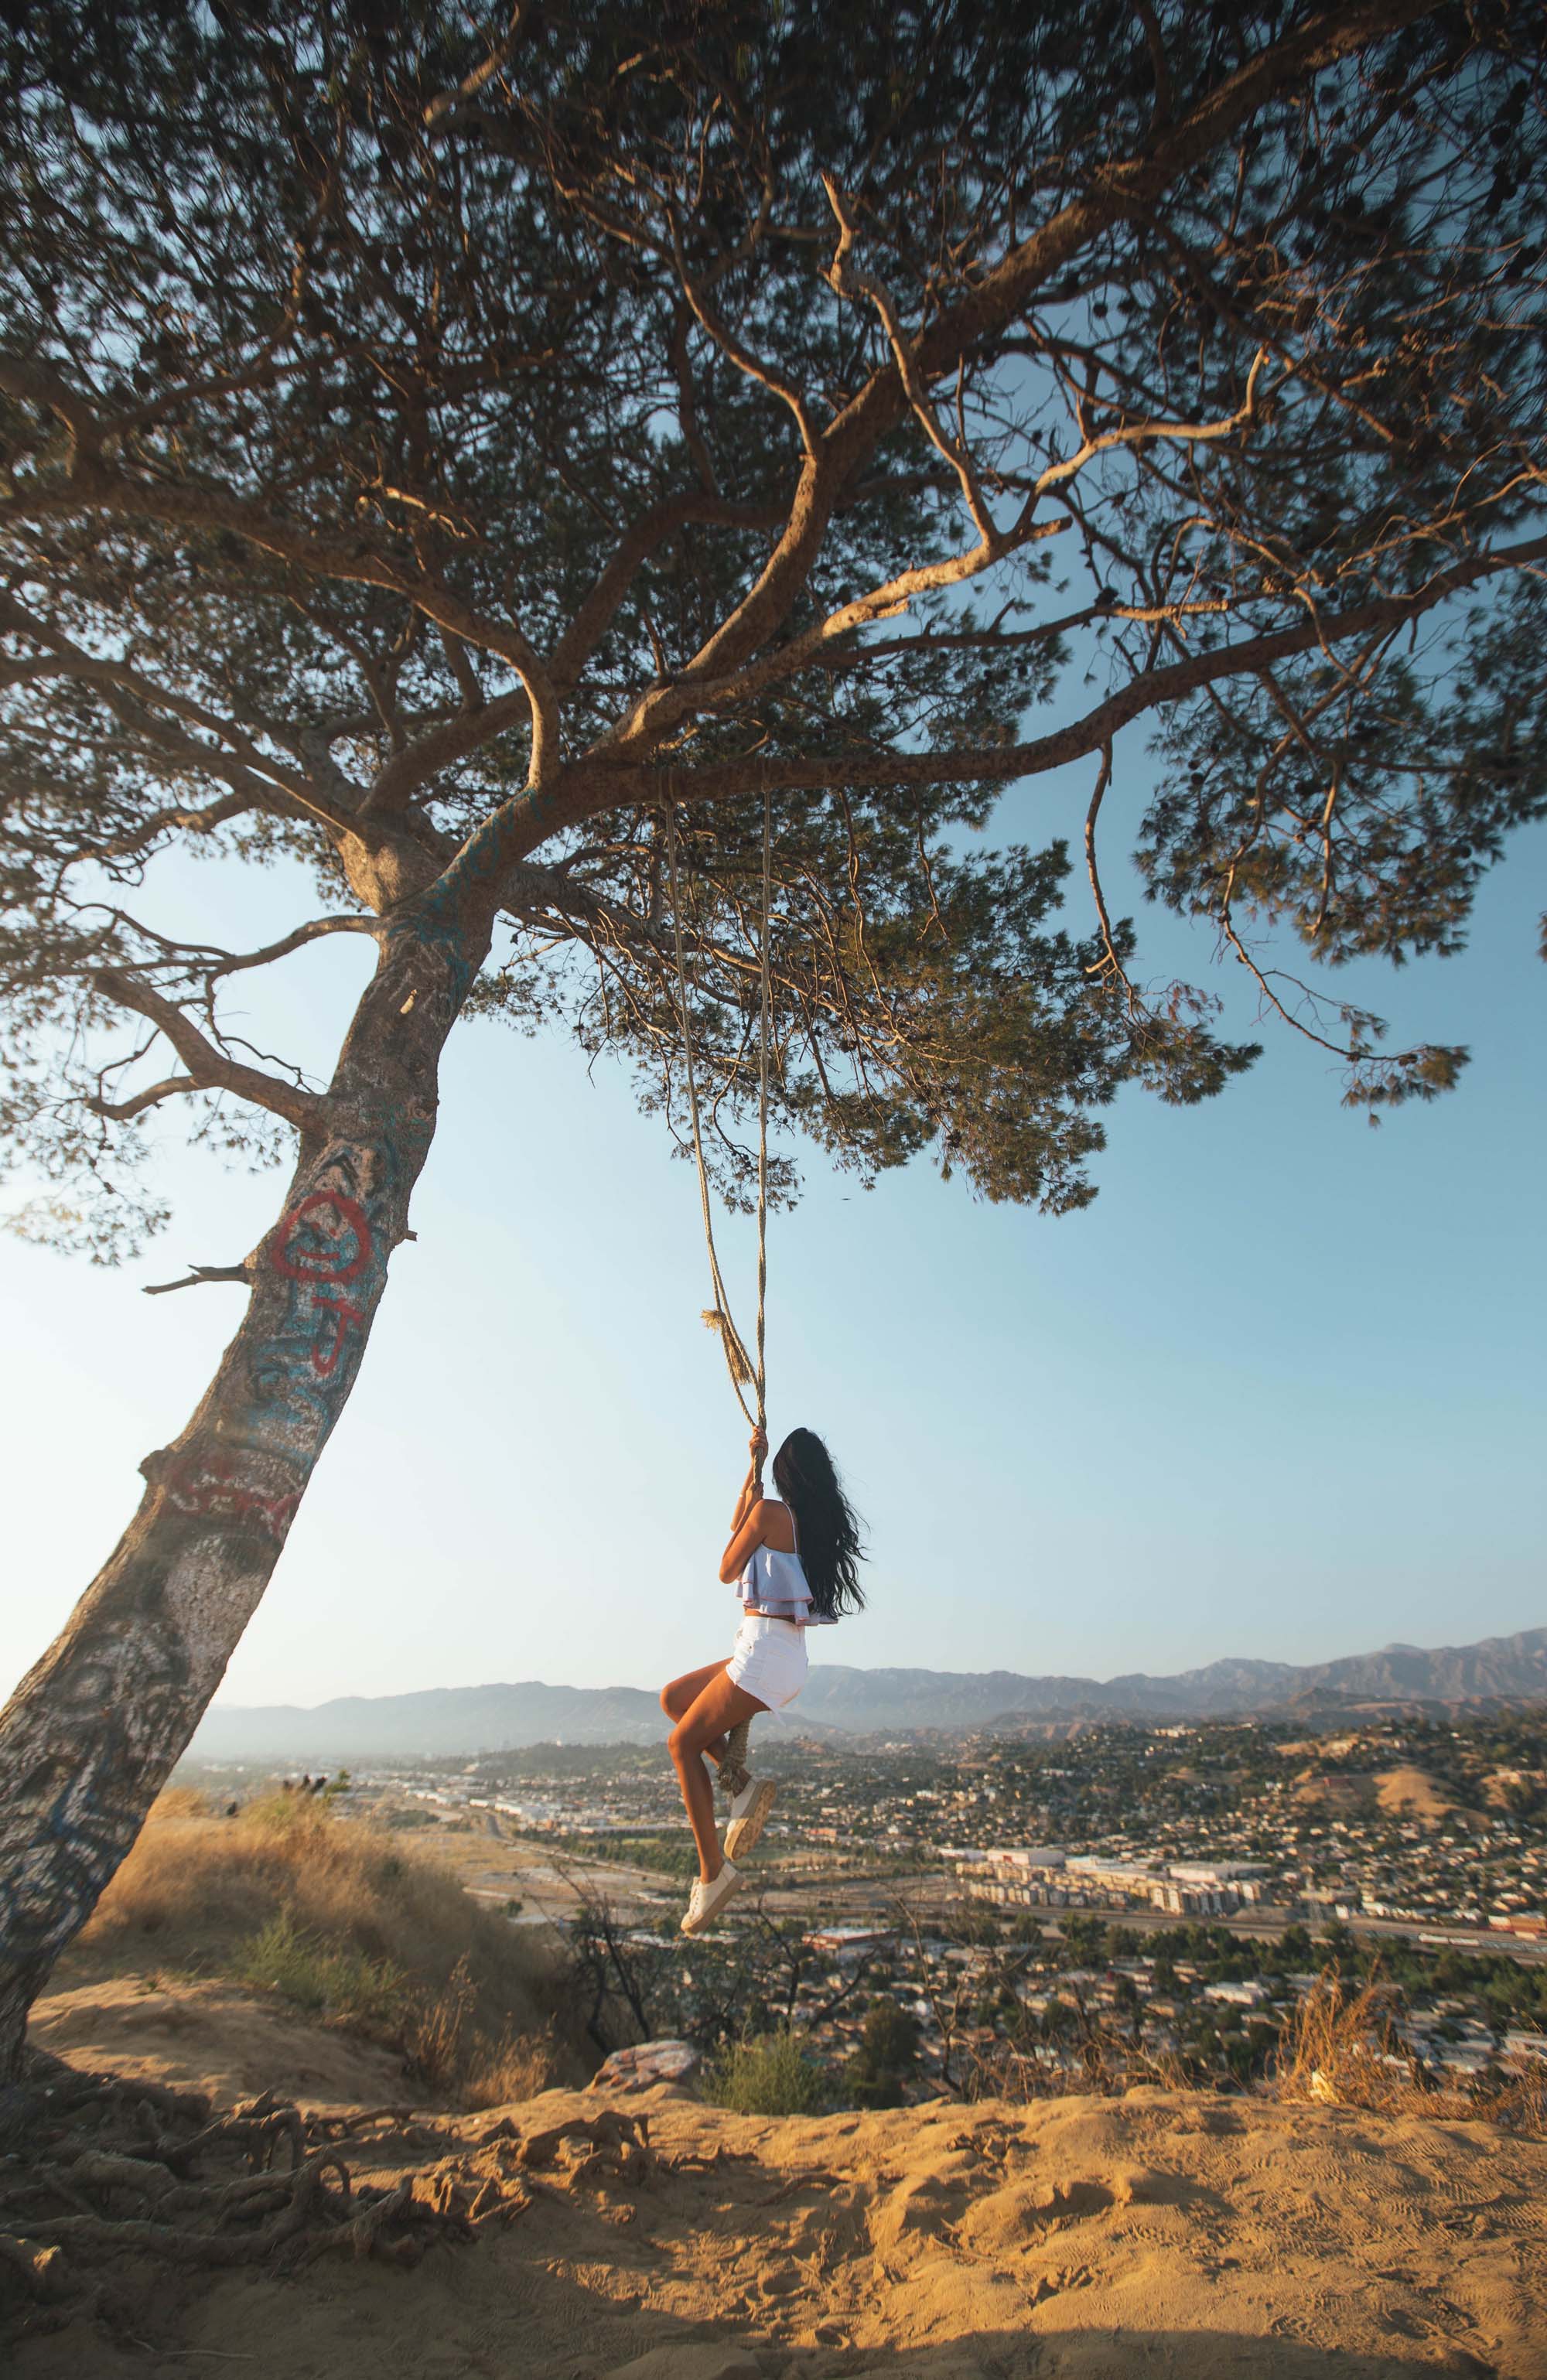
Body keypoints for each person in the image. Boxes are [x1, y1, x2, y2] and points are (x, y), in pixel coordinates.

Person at [660, 1424, 866, 1937]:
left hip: (763, 1653)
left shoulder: (771, 1514)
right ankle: (742, 1786)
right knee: (676, 1699)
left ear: (784, 1474)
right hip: (779, 1654)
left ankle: (713, 1873)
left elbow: (728, 1567)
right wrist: (750, 1476)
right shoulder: (804, 1523)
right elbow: (742, 1533)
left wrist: (752, 1486)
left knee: (681, 1744)